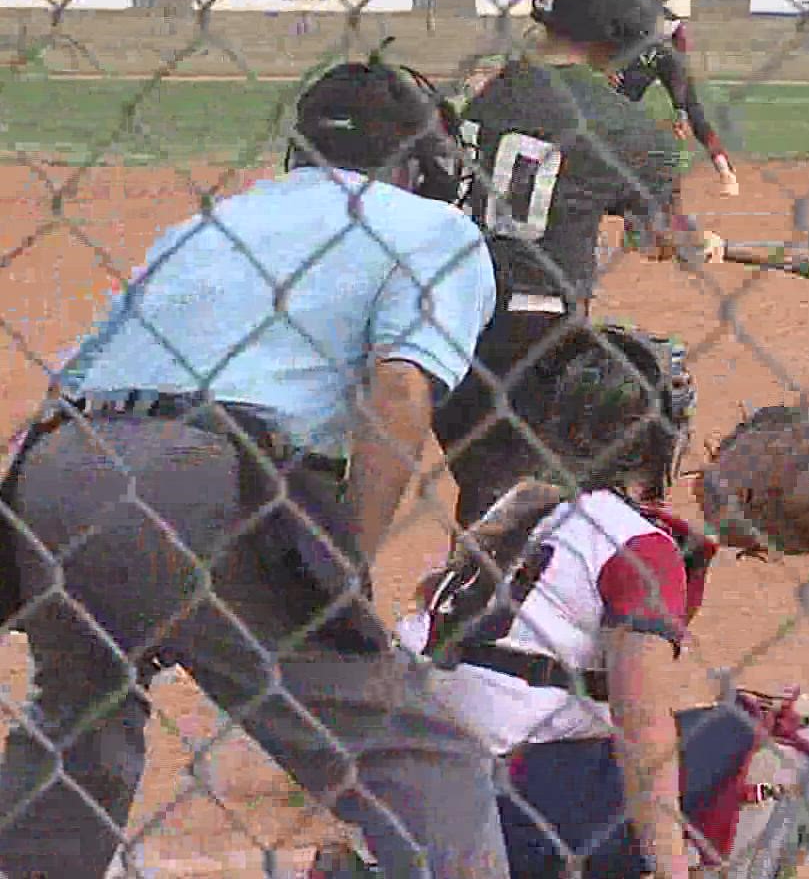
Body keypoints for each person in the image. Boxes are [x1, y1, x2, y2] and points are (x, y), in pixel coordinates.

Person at [0, 46, 510, 877]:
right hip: (203, 480)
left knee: (77, 724)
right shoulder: (435, 227)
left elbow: (68, 391)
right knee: (424, 760)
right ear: (421, 161)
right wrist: (344, 567)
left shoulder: (205, 223)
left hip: (61, 470)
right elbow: (401, 392)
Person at [308, 326, 809, 878]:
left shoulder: (526, 508)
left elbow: (434, 606)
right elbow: (641, 724)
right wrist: (669, 866)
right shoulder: (642, 548)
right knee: (785, 735)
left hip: (397, 784)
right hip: (492, 802)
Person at [432, 0, 725, 533]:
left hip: (439, 326)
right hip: (532, 341)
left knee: (486, 488)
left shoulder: (475, 89)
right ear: (621, 25)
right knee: (533, 509)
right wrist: (694, 241)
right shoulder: (629, 132)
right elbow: (656, 238)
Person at [612, 8, 740, 198]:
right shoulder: (621, 17)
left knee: (695, 115)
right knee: (617, 113)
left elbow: (678, 69)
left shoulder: (668, 25)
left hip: (668, 59)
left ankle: (726, 173)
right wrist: (612, 67)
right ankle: (612, 174)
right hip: (638, 61)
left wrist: (680, 111)